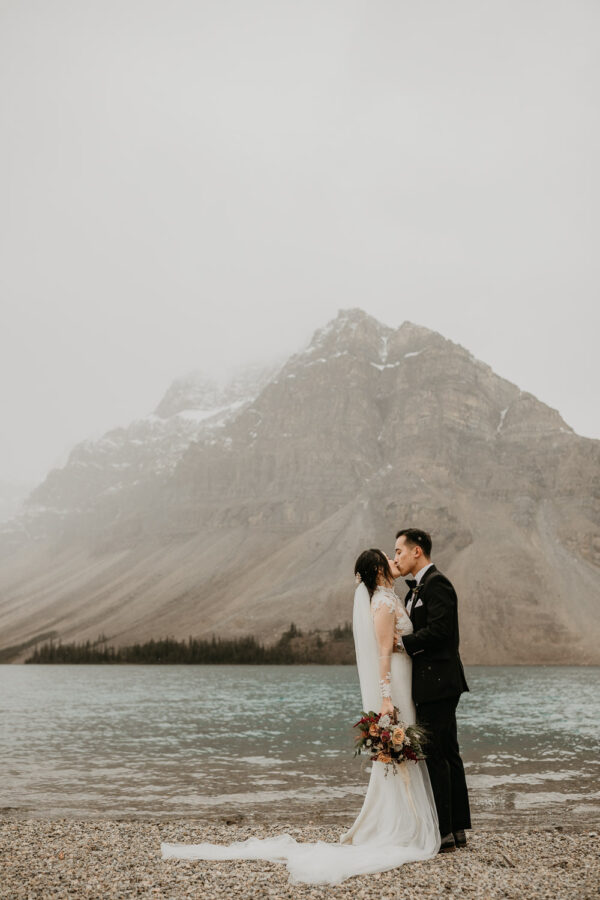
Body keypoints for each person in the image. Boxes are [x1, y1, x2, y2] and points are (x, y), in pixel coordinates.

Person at [161, 549, 440, 884]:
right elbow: (382, 653)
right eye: (389, 557)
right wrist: (385, 698)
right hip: (394, 681)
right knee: (399, 752)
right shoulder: (381, 602)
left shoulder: (387, 597)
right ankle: (402, 824)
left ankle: (407, 819)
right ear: (379, 568)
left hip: (404, 677)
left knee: (404, 751)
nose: (396, 561)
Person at [393, 528, 471, 852]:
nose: (395, 556)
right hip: (435, 682)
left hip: (438, 682)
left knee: (437, 754)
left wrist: (403, 643)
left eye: (399, 550)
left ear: (417, 552)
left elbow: (442, 631)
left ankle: (443, 834)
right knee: (448, 752)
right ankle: (457, 828)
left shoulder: (437, 584)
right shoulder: (415, 589)